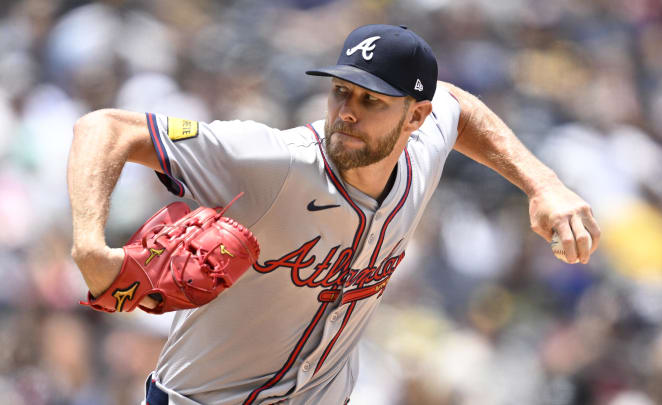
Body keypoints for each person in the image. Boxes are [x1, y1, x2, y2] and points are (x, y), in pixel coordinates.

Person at [67, 24, 601, 405]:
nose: (347, 111)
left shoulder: (424, 149)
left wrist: (543, 185)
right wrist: (90, 246)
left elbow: (455, 104)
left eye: (373, 101)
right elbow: (105, 129)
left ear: (416, 116)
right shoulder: (272, 161)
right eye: (341, 91)